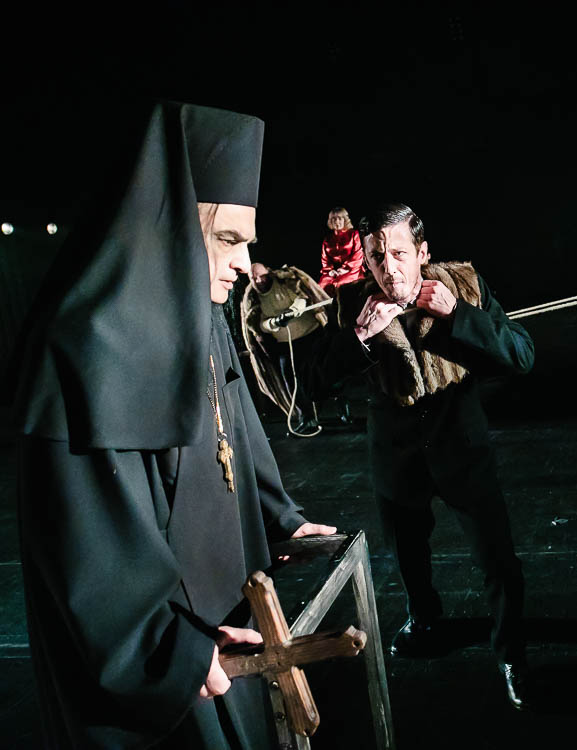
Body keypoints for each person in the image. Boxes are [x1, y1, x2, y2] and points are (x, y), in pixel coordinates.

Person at [12, 101, 337, 749]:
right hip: (162, 652)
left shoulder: (204, 319)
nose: (245, 262)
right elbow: (85, 537)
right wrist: (167, 649)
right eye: (228, 240)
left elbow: (235, 424)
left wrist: (279, 516)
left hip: (227, 604)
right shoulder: (83, 347)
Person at [307, 203, 534, 709]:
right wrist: (359, 338)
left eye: (400, 254)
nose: (389, 268)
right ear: (366, 260)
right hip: (396, 458)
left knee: (499, 562)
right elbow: (315, 384)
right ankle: (425, 621)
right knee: (408, 558)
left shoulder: (464, 285)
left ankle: (512, 653)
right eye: (377, 257)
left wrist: (460, 316)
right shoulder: (351, 304)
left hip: (462, 449)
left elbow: (521, 356)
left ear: (422, 252)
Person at [241, 261, 330, 436]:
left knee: (321, 373)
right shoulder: (252, 297)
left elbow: (303, 296)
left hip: (310, 336)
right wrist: (274, 322)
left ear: (268, 272)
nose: (258, 281)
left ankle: (341, 409)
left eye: (261, 276)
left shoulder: (285, 280)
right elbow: (257, 324)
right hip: (286, 344)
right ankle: (306, 418)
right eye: (253, 278)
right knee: (290, 379)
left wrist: (294, 310)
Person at [319, 207, 364, 291]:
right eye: (334, 219)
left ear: (345, 220)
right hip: (334, 272)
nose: (337, 221)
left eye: (340, 218)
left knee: (339, 284)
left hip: (352, 270)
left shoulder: (354, 234)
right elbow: (325, 259)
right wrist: (330, 271)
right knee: (323, 283)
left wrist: (345, 269)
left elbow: (358, 255)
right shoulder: (327, 239)